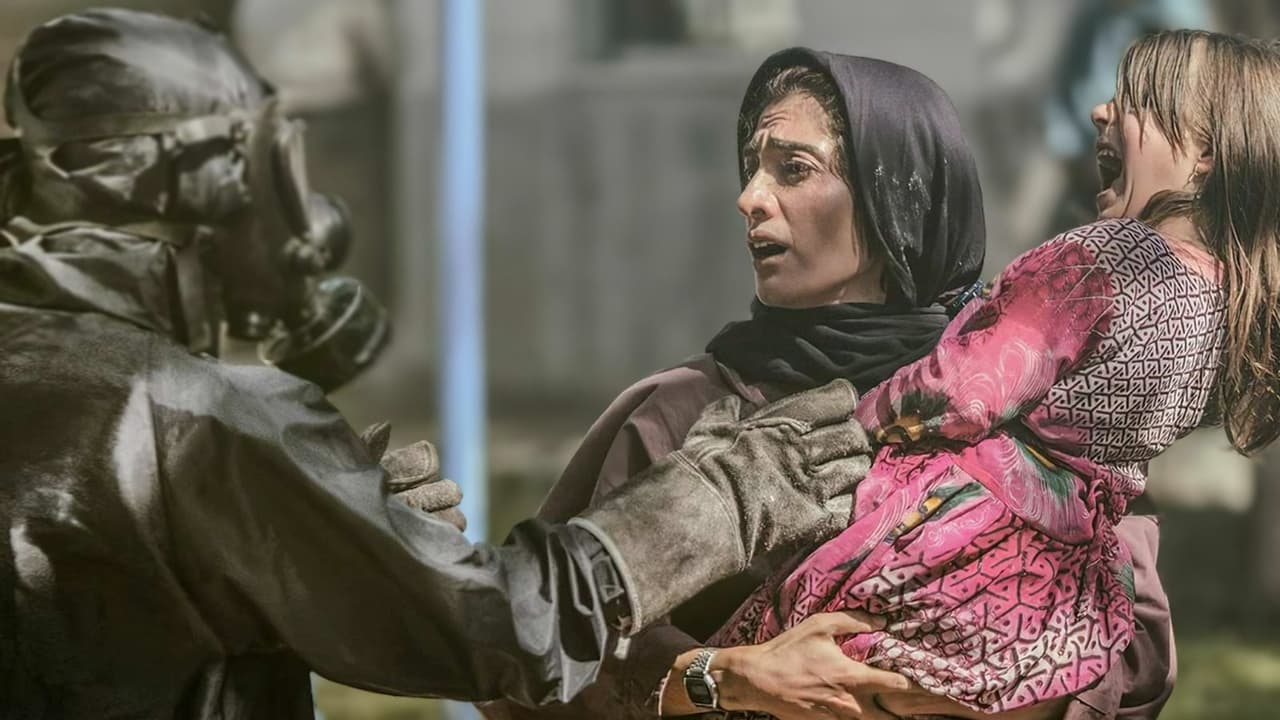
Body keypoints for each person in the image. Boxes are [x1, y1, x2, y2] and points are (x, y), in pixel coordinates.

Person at [0, 10, 873, 718]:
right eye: (265, 163)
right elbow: (512, 631)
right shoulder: (199, 414)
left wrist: (311, 536)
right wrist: (714, 500)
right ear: (195, 178)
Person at [480, 48, 1174, 720]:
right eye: (753, 168)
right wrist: (729, 677)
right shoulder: (682, 411)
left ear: (891, 197)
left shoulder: (1021, 412)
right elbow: (529, 648)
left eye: (794, 169)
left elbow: (1134, 651)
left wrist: (981, 689)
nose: (749, 198)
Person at [709, 28, 1278, 717]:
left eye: (1133, 101)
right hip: (1053, 579)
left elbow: (963, 389)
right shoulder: (1227, 304)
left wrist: (861, 420)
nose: (1100, 111)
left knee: (781, 640)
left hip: (952, 527)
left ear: (1205, 153)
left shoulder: (1107, 258)